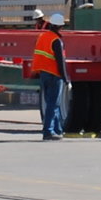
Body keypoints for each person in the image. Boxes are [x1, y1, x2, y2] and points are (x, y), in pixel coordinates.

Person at [30, 11, 69, 140]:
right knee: (53, 103)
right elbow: (60, 61)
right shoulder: (56, 41)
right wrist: (65, 77)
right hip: (54, 75)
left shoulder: (42, 36)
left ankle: (57, 130)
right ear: (60, 27)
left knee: (53, 103)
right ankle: (48, 131)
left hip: (44, 74)